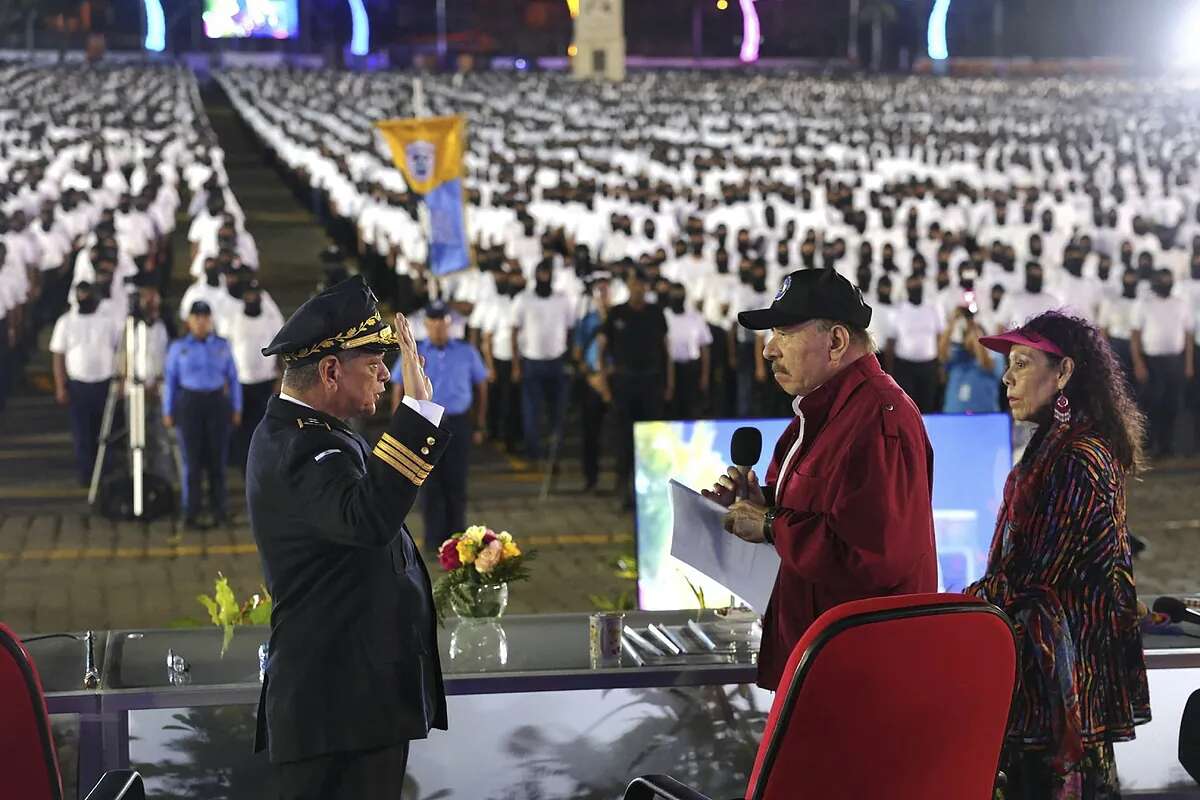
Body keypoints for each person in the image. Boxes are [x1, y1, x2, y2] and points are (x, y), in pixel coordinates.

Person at [248, 275, 449, 800]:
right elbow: (366, 518)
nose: (387, 373)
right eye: (374, 362)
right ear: (332, 370)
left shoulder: (316, 435)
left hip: (352, 705)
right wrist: (418, 413)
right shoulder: (299, 449)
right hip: (337, 710)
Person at [702, 268, 937, 690]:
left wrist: (772, 527)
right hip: (821, 664)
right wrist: (763, 504)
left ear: (836, 341)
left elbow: (874, 555)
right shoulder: (821, 412)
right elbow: (828, 511)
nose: (769, 351)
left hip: (861, 676)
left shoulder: (878, 418)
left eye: (784, 333)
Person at [971, 311, 1151, 798]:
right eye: (1009, 364)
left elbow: (1034, 573)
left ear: (1065, 372)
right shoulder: (1054, 446)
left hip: (1063, 693)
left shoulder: (1079, 457)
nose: (1007, 377)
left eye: (1023, 363)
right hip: (1045, 684)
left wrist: (960, 606)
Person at [390, 300, 488, 550]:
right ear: (426, 325)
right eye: (433, 324)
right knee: (429, 484)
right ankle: (434, 540)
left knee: (456, 482)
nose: (438, 329)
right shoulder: (416, 353)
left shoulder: (466, 351)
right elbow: (398, 387)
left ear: (449, 325)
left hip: (457, 423)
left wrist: (479, 423)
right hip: (427, 424)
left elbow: (481, 386)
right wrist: (399, 426)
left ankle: (458, 541)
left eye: (442, 324)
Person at [163, 300, 242, 529]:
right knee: (192, 461)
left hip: (216, 402)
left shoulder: (222, 345)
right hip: (190, 403)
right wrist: (168, 410)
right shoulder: (178, 347)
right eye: (196, 317)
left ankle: (220, 510)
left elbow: (233, 378)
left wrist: (236, 407)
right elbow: (170, 381)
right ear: (189, 321)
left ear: (210, 320)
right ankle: (191, 512)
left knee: (217, 460)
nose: (201, 322)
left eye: (205, 317)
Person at [598, 270, 672, 507]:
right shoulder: (616, 314)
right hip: (623, 383)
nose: (638, 289)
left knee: (651, 438)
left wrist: (669, 383)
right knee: (623, 438)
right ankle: (624, 488)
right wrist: (603, 382)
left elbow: (665, 350)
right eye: (633, 285)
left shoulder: (655, 313)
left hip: (650, 382)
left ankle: (651, 489)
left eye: (641, 285)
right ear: (628, 287)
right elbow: (602, 349)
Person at [49, 281, 123, 485]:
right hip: (78, 384)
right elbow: (58, 356)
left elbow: (120, 350)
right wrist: (60, 385)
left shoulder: (108, 321)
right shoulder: (65, 322)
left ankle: (105, 473)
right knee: (82, 433)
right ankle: (86, 473)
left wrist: (122, 381)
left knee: (105, 432)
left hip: (104, 383)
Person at [511, 261, 574, 464]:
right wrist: (515, 363)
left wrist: (570, 357)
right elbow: (514, 330)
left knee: (558, 410)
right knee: (532, 411)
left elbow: (570, 329)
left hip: (557, 361)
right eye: (541, 273)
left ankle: (554, 452)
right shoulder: (523, 299)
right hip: (531, 362)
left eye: (548, 273)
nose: (544, 277)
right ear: (535, 275)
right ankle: (534, 453)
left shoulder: (562, 299)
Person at [1130, 268, 1195, 458]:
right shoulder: (1143, 304)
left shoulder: (1181, 304)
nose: (1166, 283)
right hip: (1152, 362)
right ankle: (1149, 444)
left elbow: (1188, 336)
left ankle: (1167, 444)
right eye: (1162, 280)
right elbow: (1135, 336)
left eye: (1169, 280)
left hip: (1175, 361)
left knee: (1172, 404)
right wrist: (1139, 363)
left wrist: (1188, 364)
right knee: (1151, 404)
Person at [228, 280, 283, 470]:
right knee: (244, 433)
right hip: (241, 384)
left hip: (266, 383)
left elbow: (282, 350)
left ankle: (267, 468)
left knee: (267, 429)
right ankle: (246, 470)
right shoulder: (234, 319)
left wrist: (279, 379)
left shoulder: (271, 319)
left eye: (254, 295)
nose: (251, 298)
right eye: (248, 296)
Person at [886, 274, 946, 412]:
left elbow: (940, 338)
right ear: (907, 289)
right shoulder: (898, 310)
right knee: (906, 407)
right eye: (912, 287)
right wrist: (889, 371)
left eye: (917, 286)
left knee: (928, 406)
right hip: (905, 367)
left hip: (929, 366)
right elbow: (891, 342)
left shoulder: (932, 308)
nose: (915, 289)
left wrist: (941, 365)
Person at [939, 306, 1006, 414]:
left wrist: (975, 336)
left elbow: (989, 366)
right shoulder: (958, 353)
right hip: (954, 416)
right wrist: (952, 325)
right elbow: (942, 356)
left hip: (985, 415)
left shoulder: (994, 353)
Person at [663, 281, 712, 419]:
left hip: (691, 368)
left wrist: (704, 375)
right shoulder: (664, 315)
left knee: (691, 408)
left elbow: (705, 347)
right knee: (672, 408)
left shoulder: (696, 317)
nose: (677, 298)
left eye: (680, 295)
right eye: (674, 295)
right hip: (671, 368)